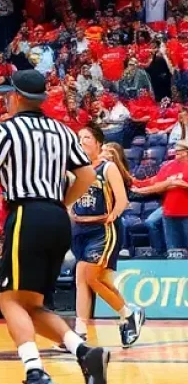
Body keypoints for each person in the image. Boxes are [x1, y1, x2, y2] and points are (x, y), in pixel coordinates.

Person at [0, 69, 109, 384]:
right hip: (57, 218)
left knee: (7, 299)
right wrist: (63, 203)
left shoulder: (6, 130)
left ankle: (35, 373)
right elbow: (85, 176)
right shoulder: (62, 131)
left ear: (18, 98)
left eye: (8, 94)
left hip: (27, 215)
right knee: (31, 304)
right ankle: (85, 353)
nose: (6, 99)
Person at [71, 124, 143, 347]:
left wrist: (112, 216)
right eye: (79, 137)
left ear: (98, 142)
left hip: (104, 230)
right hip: (81, 229)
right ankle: (81, 331)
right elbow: (70, 197)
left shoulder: (107, 167)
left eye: (86, 137)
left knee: (92, 276)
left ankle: (129, 315)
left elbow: (122, 200)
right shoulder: (76, 169)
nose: (81, 141)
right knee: (83, 278)